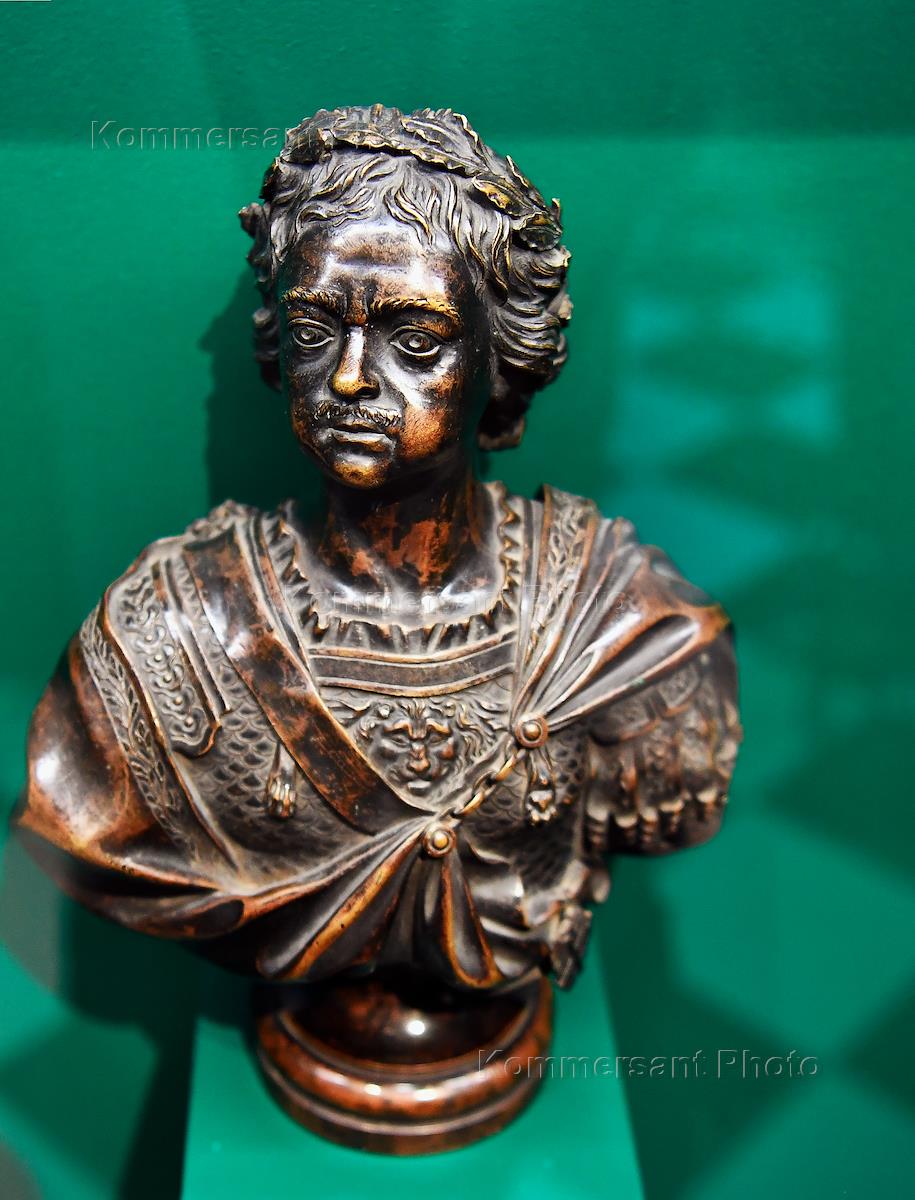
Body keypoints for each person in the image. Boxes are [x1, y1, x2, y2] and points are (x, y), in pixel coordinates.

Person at [19, 106, 741, 994]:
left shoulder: (622, 625)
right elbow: (81, 842)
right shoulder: (167, 635)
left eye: (416, 341)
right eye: (314, 332)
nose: (351, 378)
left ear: (500, 358)